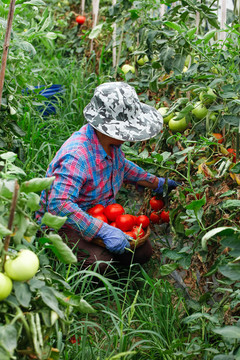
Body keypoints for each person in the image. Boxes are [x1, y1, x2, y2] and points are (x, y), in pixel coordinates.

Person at [36, 82, 178, 274]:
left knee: (143, 252)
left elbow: (123, 167)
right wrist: (102, 230)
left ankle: (102, 255)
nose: (131, 136)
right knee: (102, 263)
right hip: (64, 223)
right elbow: (59, 205)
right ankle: (59, 256)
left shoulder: (110, 145)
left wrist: (156, 183)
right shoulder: (76, 156)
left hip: (100, 214)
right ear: (108, 128)